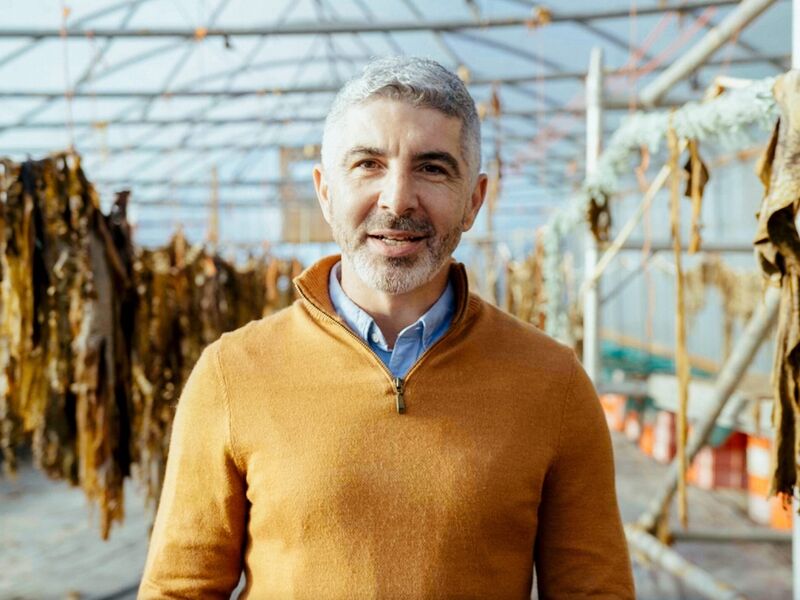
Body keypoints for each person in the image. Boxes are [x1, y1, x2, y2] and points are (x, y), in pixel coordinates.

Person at [138, 56, 634, 599]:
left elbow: (595, 591)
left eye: (433, 168)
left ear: (474, 200)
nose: (397, 200)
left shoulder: (551, 382)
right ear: (325, 192)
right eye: (368, 164)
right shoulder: (233, 373)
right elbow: (179, 589)